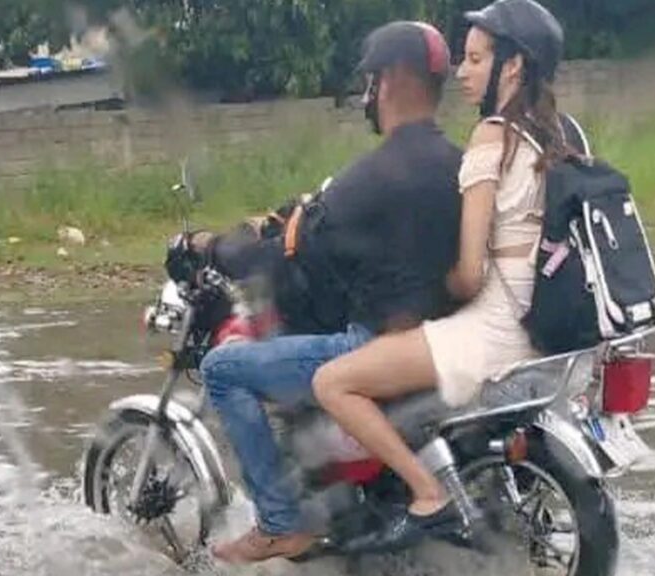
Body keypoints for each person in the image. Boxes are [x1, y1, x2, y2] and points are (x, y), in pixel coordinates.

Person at [195, 21, 463, 564]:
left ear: (390, 81)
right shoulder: (457, 164)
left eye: (370, 81)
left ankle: (278, 522)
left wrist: (211, 246)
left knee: (223, 370)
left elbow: (277, 256)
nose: (367, 94)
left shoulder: (373, 176)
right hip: (443, 339)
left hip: (375, 345)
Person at [312, 0, 569, 549]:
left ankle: (429, 494)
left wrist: (437, 290)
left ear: (514, 66)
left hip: (495, 330)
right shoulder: (559, 135)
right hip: (545, 326)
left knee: (332, 381)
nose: (461, 72)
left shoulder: (490, 139)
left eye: (475, 59)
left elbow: (470, 276)